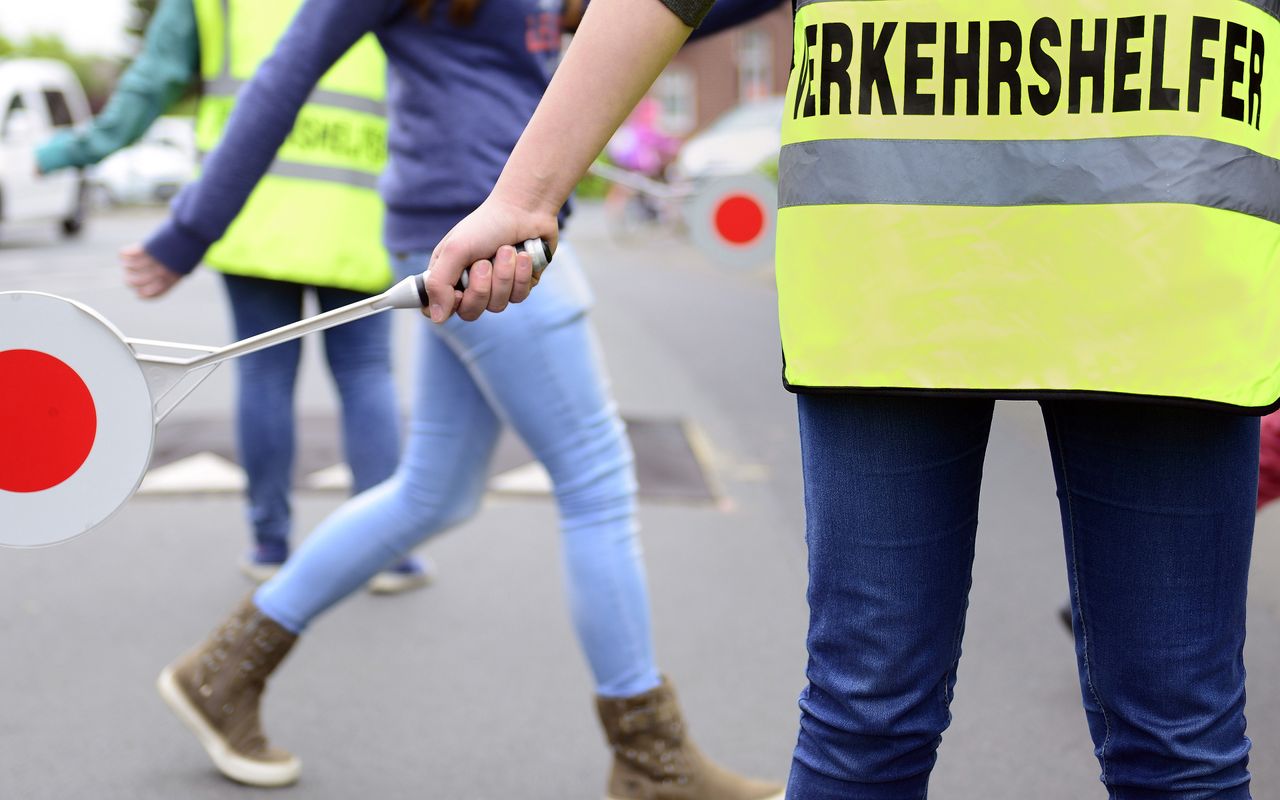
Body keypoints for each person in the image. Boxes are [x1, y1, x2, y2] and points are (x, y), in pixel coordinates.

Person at [427, 1, 1274, 797]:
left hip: (942, 250)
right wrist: (523, 196)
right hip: (1114, 243)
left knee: (875, 719)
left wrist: (527, 195)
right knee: (1167, 737)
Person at [125, 0, 785, 797]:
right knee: (597, 479)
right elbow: (284, 75)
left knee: (432, 490)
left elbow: (654, 9)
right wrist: (187, 233)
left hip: (495, 233)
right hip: (478, 238)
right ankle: (652, 761)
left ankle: (220, 676)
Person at [41, 0, 429, 592]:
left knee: (264, 376)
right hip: (359, 205)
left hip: (248, 205)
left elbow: (149, 85)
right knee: (366, 373)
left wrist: (73, 151)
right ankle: (386, 553)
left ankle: (270, 545)